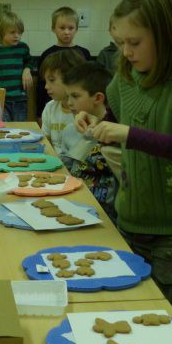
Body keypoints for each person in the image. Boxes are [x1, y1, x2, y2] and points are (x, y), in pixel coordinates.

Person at [75, 0, 172, 311]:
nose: (126, 52)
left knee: (168, 320)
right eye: (121, 43)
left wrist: (129, 134)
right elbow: (116, 123)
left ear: (164, 36)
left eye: (134, 43)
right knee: (129, 312)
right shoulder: (125, 78)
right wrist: (95, 122)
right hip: (130, 221)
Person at [63, 61, 117, 223]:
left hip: (106, 216)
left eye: (75, 96)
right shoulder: (70, 130)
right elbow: (67, 166)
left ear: (98, 98)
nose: (69, 102)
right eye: (67, 96)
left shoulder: (115, 132)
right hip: (73, 203)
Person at [35, 7, 92, 115]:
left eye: (71, 28)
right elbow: (41, 86)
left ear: (76, 29)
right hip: (52, 108)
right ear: (53, 28)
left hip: (79, 108)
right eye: (62, 28)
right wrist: (39, 112)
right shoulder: (47, 54)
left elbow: (89, 83)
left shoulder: (84, 53)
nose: (66, 32)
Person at [0, 11, 34, 122]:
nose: (17, 36)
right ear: (1, 32)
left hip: (20, 99)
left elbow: (30, 61)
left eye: (19, 33)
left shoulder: (23, 48)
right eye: (12, 32)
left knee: (20, 128)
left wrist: (27, 69)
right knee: (3, 128)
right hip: (0, 100)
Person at [39, 49, 86, 166]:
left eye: (51, 80)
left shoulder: (84, 111)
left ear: (71, 79)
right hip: (55, 165)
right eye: (45, 81)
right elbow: (46, 142)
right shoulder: (50, 108)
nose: (46, 86)